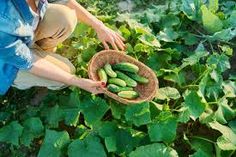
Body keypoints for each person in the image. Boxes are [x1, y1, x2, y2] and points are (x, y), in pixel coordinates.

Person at [0, 0, 126, 95]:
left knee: (65, 16)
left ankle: (40, 53)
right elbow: (28, 62)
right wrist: (76, 81)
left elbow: (66, 1)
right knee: (67, 74)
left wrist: (99, 26)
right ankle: (21, 79)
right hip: (7, 61)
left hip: (21, 38)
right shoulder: (3, 19)